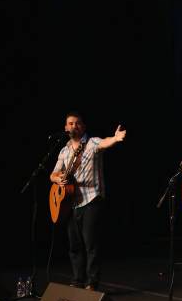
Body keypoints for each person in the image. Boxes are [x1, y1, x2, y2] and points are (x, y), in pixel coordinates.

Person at [50, 112, 126, 291]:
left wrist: (114, 138)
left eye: (77, 123)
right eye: (70, 123)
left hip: (92, 199)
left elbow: (105, 142)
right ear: (65, 128)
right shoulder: (64, 150)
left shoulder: (91, 143)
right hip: (70, 202)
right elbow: (52, 174)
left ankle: (92, 282)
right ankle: (77, 280)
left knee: (91, 243)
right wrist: (58, 179)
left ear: (83, 127)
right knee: (74, 244)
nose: (73, 126)